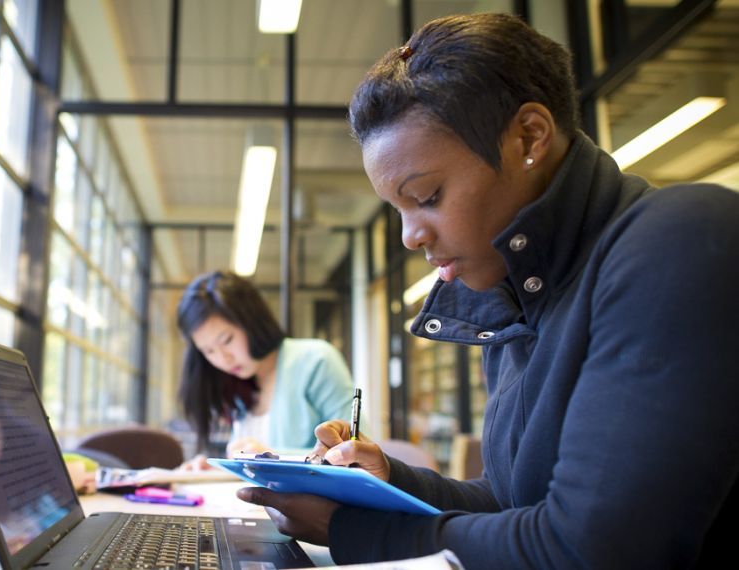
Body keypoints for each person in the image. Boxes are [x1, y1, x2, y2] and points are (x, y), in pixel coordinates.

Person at [236, 12, 739, 568]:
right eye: (397, 210)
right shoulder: (517, 303)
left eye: (425, 196)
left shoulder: (683, 241)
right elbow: (512, 505)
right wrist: (384, 482)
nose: (410, 236)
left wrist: (358, 530)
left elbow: (590, 548)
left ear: (529, 136)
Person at [176, 270, 357, 465]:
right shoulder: (239, 387)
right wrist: (217, 468)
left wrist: (272, 457)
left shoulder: (316, 361)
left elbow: (357, 450)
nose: (223, 359)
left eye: (227, 340)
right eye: (209, 351)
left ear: (252, 320)